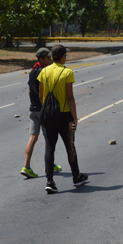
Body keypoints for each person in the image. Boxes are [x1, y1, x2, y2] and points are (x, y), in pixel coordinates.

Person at [37, 45, 88, 193]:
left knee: (49, 148)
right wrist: (75, 117)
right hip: (64, 115)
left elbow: (41, 96)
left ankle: (50, 181)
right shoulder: (67, 72)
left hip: (47, 116)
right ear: (63, 57)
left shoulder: (44, 71)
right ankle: (76, 176)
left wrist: (47, 110)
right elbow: (70, 97)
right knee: (70, 146)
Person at [21, 48, 62, 179]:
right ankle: (51, 165)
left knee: (33, 137)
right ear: (41, 59)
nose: (50, 60)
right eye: (48, 58)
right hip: (43, 110)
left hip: (33, 109)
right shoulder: (43, 72)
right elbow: (43, 92)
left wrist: (33, 104)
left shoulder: (32, 71)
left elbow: (29, 91)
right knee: (49, 138)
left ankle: (26, 167)